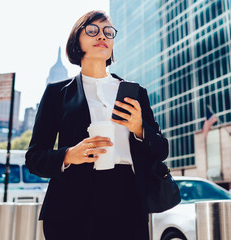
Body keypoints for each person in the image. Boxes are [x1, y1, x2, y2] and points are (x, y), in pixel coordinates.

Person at [25, 10, 168, 240]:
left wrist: (140, 128)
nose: (102, 35)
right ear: (76, 40)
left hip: (128, 201)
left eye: (108, 31)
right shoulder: (56, 94)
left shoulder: (136, 92)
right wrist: (70, 155)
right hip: (71, 206)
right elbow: (34, 158)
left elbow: (161, 150)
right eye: (92, 30)